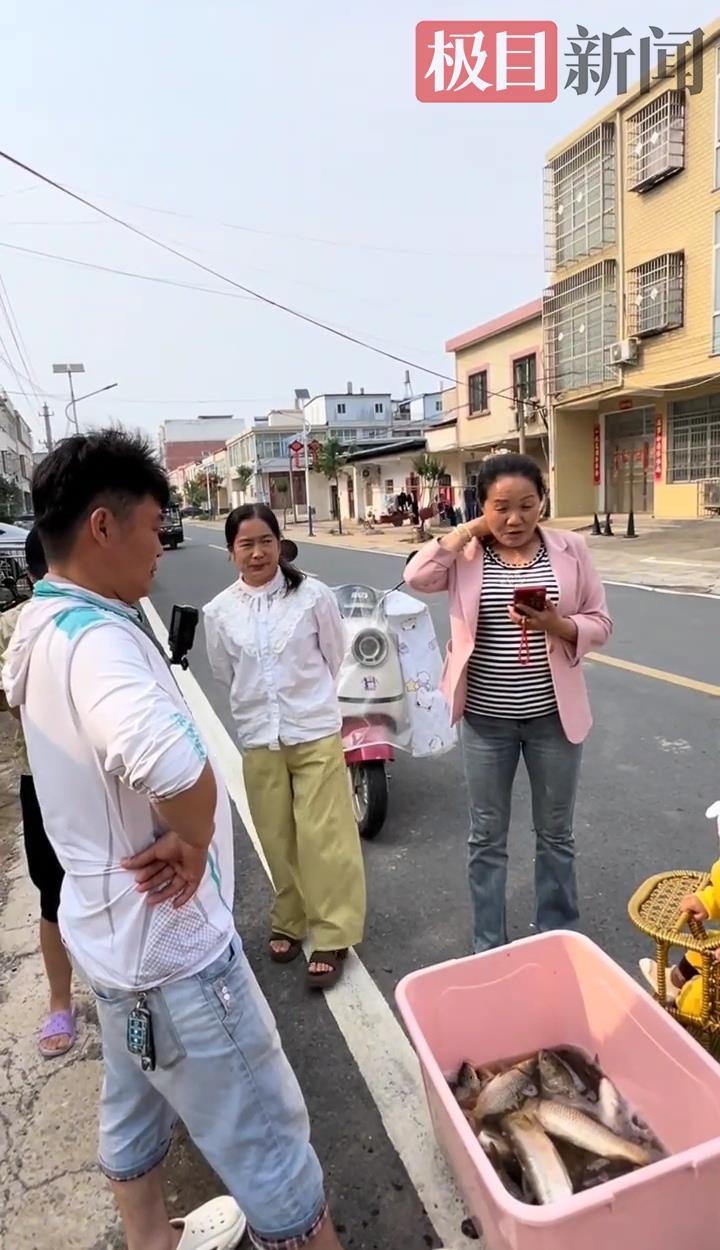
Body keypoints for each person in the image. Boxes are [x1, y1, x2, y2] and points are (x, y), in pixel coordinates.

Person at [4, 432, 347, 1250]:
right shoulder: (98, 643)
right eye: (154, 525)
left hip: (108, 936)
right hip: (175, 951)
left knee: (133, 1100)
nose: (163, 545)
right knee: (268, 1139)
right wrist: (194, 838)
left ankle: (152, 1238)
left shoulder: (41, 620)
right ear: (102, 526)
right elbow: (172, 763)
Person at [404, 452, 612, 954]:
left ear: (543, 502)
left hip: (553, 720)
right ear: (481, 506)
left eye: (526, 505)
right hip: (485, 722)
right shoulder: (467, 553)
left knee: (556, 834)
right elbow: (417, 578)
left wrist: (558, 625)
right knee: (486, 837)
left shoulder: (571, 549)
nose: (515, 519)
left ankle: (558, 937)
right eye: (501, 507)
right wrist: (469, 531)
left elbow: (601, 622)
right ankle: (489, 946)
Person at [204, 503, 366, 991]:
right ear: (231, 552)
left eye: (265, 542)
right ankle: (290, 919)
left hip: (313, 730)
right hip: (259, 737)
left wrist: (304, 700)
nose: (257, 553)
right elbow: (224, 672)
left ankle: (334, 933)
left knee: (325, 837)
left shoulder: (313, 596)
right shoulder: (219, 612)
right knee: (276, 836)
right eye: (246, 544)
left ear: (279, 544)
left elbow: (334, 654)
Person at [0, 526, 75, 1057]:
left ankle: (129, 991)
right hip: (42, 778)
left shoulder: (106, 616)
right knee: (52, 894)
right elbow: (7, 700)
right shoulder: (12, 625)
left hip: (105, 778)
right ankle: (59, 1001)